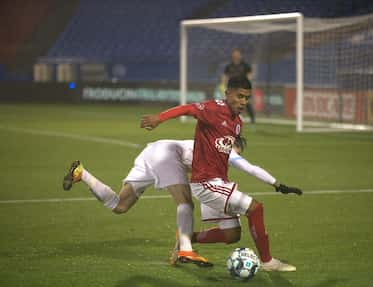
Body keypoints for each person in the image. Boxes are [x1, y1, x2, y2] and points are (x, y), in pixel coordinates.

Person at [141, 75, 299, 271]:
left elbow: (230, 155)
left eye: (247, 98)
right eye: (239, 96)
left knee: (232, 235)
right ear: (227, 93)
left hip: (218, 183)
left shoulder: (238, 123)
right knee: (255, 209)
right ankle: (268, 262)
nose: (243, 102)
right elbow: (188, 108)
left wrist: (276, 184)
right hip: (206, 183)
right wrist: (159, 118)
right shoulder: (213, 109)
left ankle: (187, 238)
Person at [62, 140, 212, 267]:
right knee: (185, 203)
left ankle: (81, 173)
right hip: (165, 156)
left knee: (120, 205)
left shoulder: (210, 146)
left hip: (151, 153)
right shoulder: (216, 155)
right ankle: (185, 251)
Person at [223, 48, 256, 125]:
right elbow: (225, 76)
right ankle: (230, 119)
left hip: (242, 88)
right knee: (230, 103)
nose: (236, 56)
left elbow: (250, 74)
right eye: (234, 54)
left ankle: (252, 119)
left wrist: (246, 83)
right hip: (233, 88)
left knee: (246, 103)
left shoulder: (245, 65)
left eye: (237, 54)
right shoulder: (229, 66)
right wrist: (224, 85)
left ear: (240, 56)